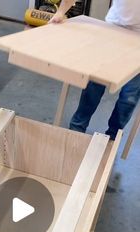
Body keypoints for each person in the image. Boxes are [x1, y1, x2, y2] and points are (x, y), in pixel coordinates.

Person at [50, 0, 140, 139]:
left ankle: (113, 137)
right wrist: (60, 12)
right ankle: (76, 129)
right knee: (94, 87)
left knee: (129, 97)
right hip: (113, 30)